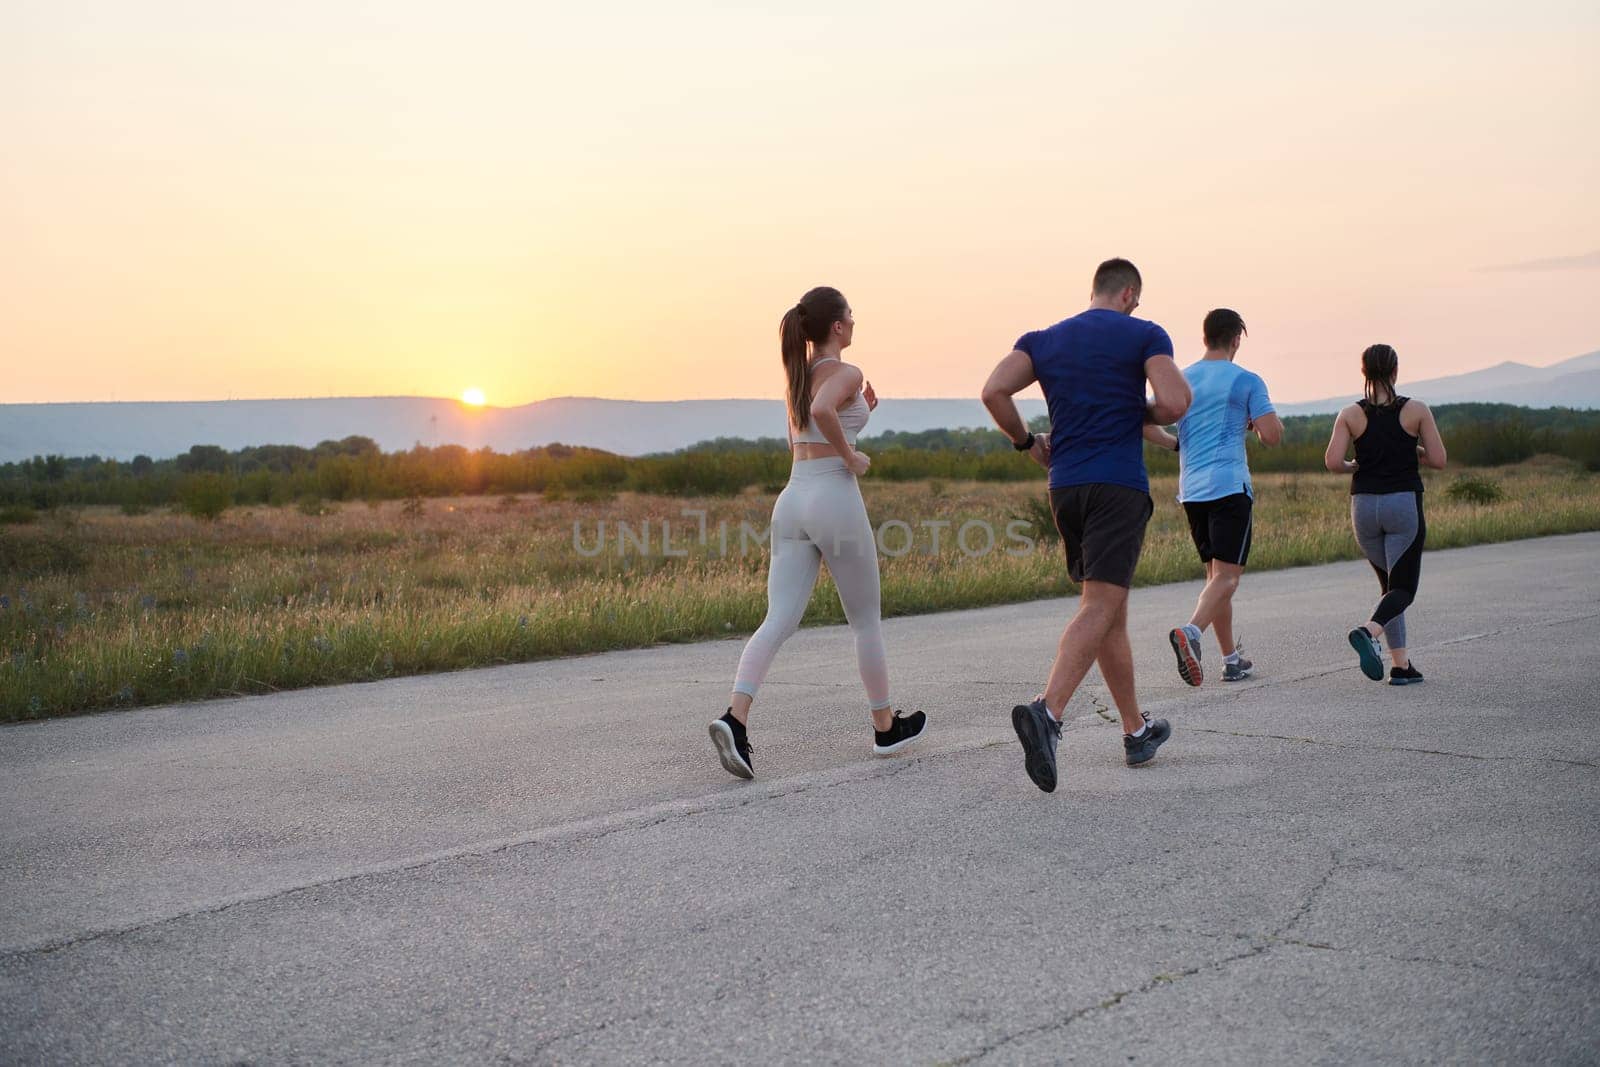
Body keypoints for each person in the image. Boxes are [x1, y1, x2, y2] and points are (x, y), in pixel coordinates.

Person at [982, 258, 1192, 792]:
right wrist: (1133, 407)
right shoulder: (1144, 333)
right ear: (1128, 294)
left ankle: (1136, 731)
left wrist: (1028, 443)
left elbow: (994, 392)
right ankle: (1047, 714)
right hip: (1117, 485)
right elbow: (1174, 402)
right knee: (1099, 605)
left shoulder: (1043, 339)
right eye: (1136, 300)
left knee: (1109, 612)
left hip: (1065, 487)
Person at [709, 286, 927, 780]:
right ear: (836, 327)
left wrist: (860, 418)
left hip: (792, 502)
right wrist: (851, 456)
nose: (855, 321)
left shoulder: (797, 378)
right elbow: (827, 414)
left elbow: (809, 429)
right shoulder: (846, 371)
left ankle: (734, 720)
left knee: (779, 618)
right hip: (833, 496)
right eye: (851, 314)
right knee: (865, 620)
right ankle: (884, 727)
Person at [1143, 309, 1282, 685]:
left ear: (1205, 337)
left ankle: (1231, 659)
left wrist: (1176, 445)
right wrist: (1256, 423)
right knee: (1228, 578)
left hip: (1192, 491)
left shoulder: (1182, 379)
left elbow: (1143, 420)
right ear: (1237, 338)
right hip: (1229, 486)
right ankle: (1191, 633)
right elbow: (1272, 435)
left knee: (1214, 579)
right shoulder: (1246, 380)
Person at [1323, 343, 1448, 684]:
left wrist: (1353, 463)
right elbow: (1439, 459)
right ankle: (1368, 631)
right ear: (1395, 371)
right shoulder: (1416, 410)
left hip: (1363, 506)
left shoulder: (1350, 414)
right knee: (1403, 589)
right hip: (1401, 504)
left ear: (1364, 372)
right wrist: (1413, 448)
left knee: (1389, 590)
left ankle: (1401, 666)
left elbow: (1333, 462)